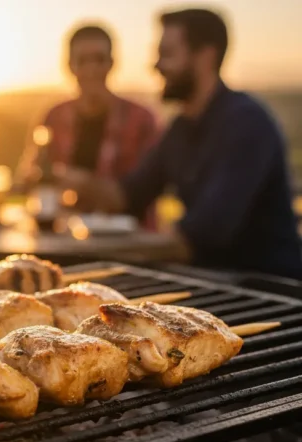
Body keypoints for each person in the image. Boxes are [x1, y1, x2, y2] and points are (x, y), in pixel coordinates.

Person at [55, 8, 302, 279]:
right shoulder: (180, 129)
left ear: (205, 57)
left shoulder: (247, 124)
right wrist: (73, 180)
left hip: (272, 288)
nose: (156, 65)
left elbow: (197, 238)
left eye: (167, 54)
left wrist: (88, 254)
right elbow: (126, 195)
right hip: (214, 281)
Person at [18, 24, 159, 229]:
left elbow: (143, 192)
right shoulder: (53, 118)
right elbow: (28, 178)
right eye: (82, 61)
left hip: (131, 240)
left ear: (112, 63)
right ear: (69, 65)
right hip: (67, 238)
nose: (91, 69)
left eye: (99, 60)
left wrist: (81, 183)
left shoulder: (142, 120)